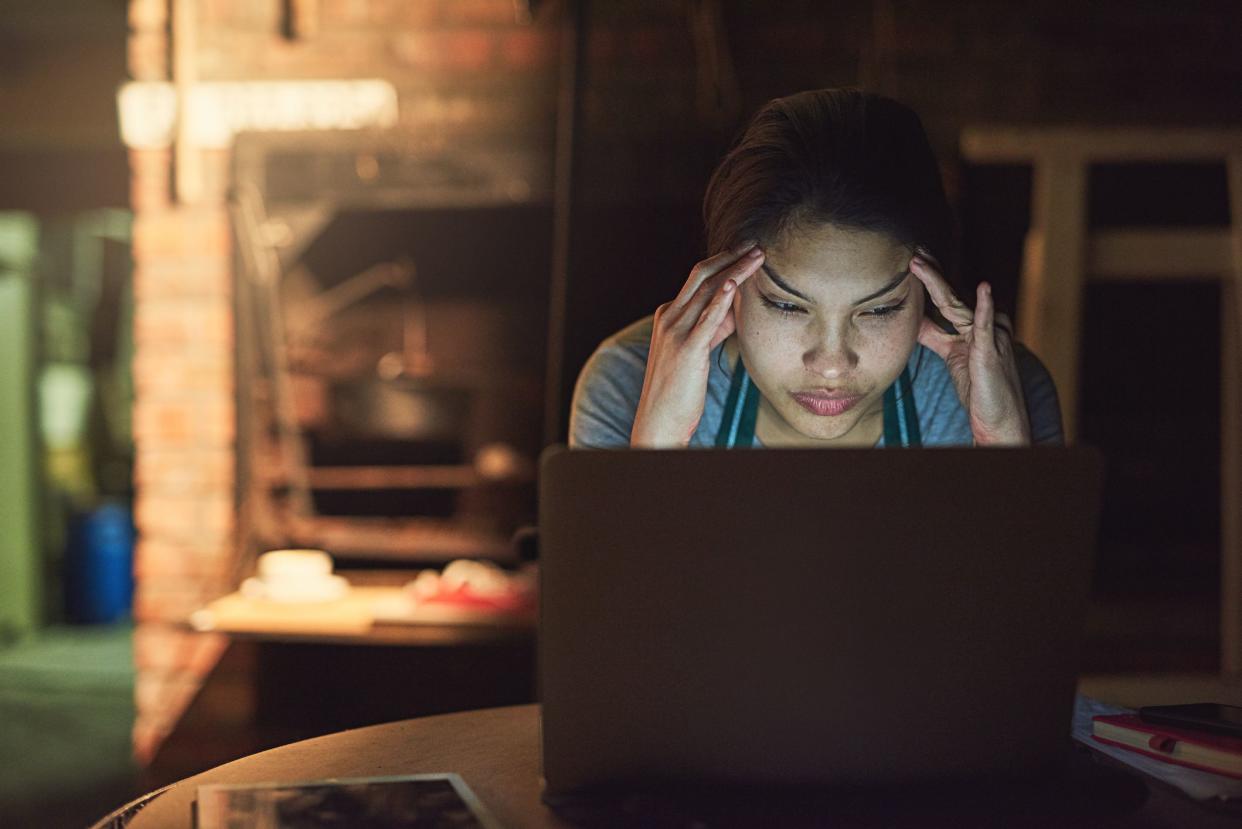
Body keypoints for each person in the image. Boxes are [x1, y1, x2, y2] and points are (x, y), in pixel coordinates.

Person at [569, 87, 1062, 449]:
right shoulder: (625, 381)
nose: (831, 363)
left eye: (879, 310)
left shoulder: (1005, 387)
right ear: (728, 285)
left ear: (930, 294)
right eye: (786, 304)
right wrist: (655, 450)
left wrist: (1003, 444)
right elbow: (622, 593)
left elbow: (1030, 592)